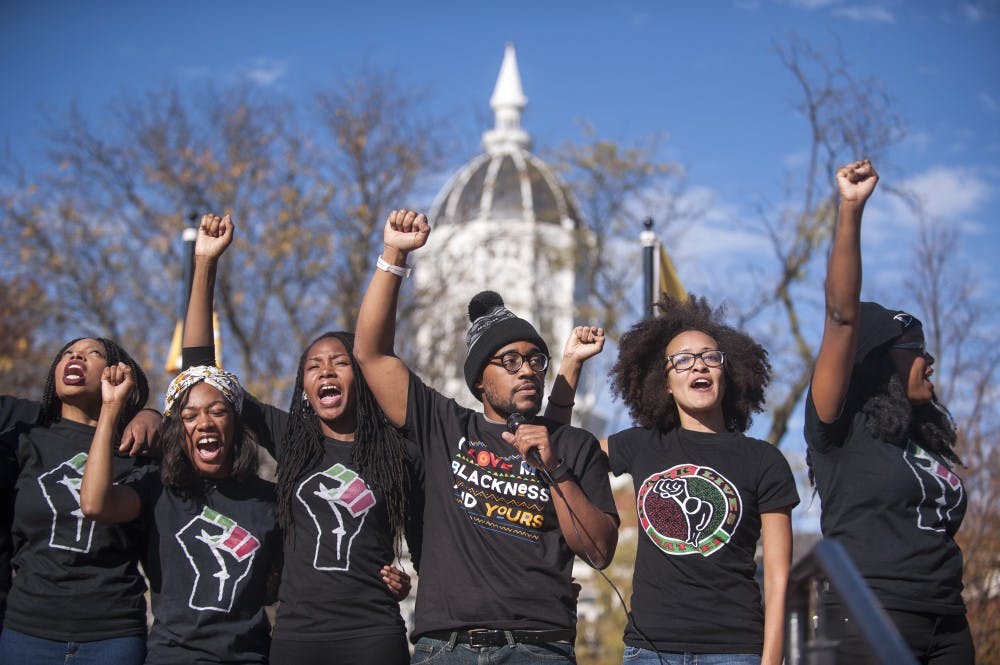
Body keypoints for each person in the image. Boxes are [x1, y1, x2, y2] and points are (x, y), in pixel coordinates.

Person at [354, 209, 619, 664]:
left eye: (537, 360)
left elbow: (598, 550)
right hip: (448, 647)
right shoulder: (445, 427)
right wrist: (394, 255)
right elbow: (371, 355)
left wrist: (553, 468)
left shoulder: (573, 447)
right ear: (480, 380)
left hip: (537, 648)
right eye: (511, 361)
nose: (528, 371)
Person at [184, 213, 415, 665]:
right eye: (313, 366)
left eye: (339, 363)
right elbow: (201, 373)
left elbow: (438, 531)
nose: (325, 371)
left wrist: (407, 576)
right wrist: (205, 264)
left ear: (363, 376)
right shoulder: (293, 437)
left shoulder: (397, 448)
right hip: (297, 637)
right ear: (304, 387)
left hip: (373, 633)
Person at [552, 300, 798, 665]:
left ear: (726, 373)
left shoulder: (763, 460)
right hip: (649, 651)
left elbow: (779, 576)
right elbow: (558, 454)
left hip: (733, 652)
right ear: (663, 383)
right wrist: (571, 365)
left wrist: (772, 660)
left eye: (710, 357)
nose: (698, 364)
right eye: (681, 360)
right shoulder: (641, 445)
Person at [805, 159, 973, 663]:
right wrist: (850, 211)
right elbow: (841, 317)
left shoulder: (922, 440)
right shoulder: (840, 427)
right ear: (876, 363)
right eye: (914, 347)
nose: (929, 358)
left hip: (947, 622)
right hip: (867, 615)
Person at [80, 362, 281, 664]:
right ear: (177, 430)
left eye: (217, 411)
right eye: (189, 415)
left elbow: (275, 590)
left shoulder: (270, 499)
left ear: (237, 424)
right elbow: (95, 504)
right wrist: (110, 408)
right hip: (171, 656)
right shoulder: (157, 488)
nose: (204, 423)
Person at [0, 338, 155, 664]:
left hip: (112, 635)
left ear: (117, 371)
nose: (75, 358)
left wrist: (152, 415)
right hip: (26, 631)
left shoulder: (135, 451)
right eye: (67, 354)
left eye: (91, 354)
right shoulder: (26, 436)